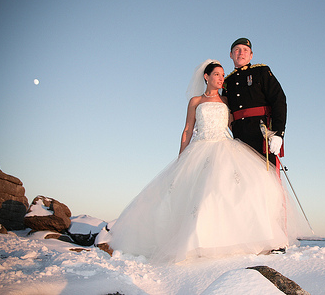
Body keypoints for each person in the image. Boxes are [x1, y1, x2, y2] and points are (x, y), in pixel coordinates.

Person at [109, 60, 310, 263]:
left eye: (223, 75)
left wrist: (264, 134)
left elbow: (235, 125)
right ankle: (195, 241)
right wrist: (181, 157)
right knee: (200, 196)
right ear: (206, 77)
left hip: (224, 147)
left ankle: (244, 238)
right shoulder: (195, 101)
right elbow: (187, 130)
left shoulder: (227, 101)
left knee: (238, 189)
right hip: (199, 149)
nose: (221, 78)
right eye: (217, 74)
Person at [222, 38, 286, 168]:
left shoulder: (261, 72)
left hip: (262, 134)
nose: (241, 53)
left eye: (245, 50)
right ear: (231, 54)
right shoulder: (227, 82)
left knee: (266, 179)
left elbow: (278, 100)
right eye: (237, 50)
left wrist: (278, 133)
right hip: (239, 137)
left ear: (251, 55)